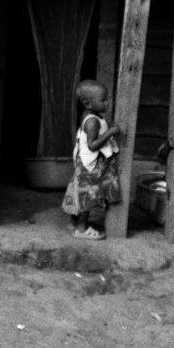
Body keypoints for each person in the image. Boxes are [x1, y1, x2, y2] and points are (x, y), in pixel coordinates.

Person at [60, 79, 122, 240]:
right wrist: (110, 132)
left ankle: (75, 222)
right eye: (103, 100)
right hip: (89, 165)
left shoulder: (91, 115)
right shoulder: (92, 121)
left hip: (86, 162)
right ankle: (82, 229)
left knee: (81, 193)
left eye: (107, 98)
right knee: (87, 196)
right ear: (88, 104)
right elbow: (93, 145)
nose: (108, 102)